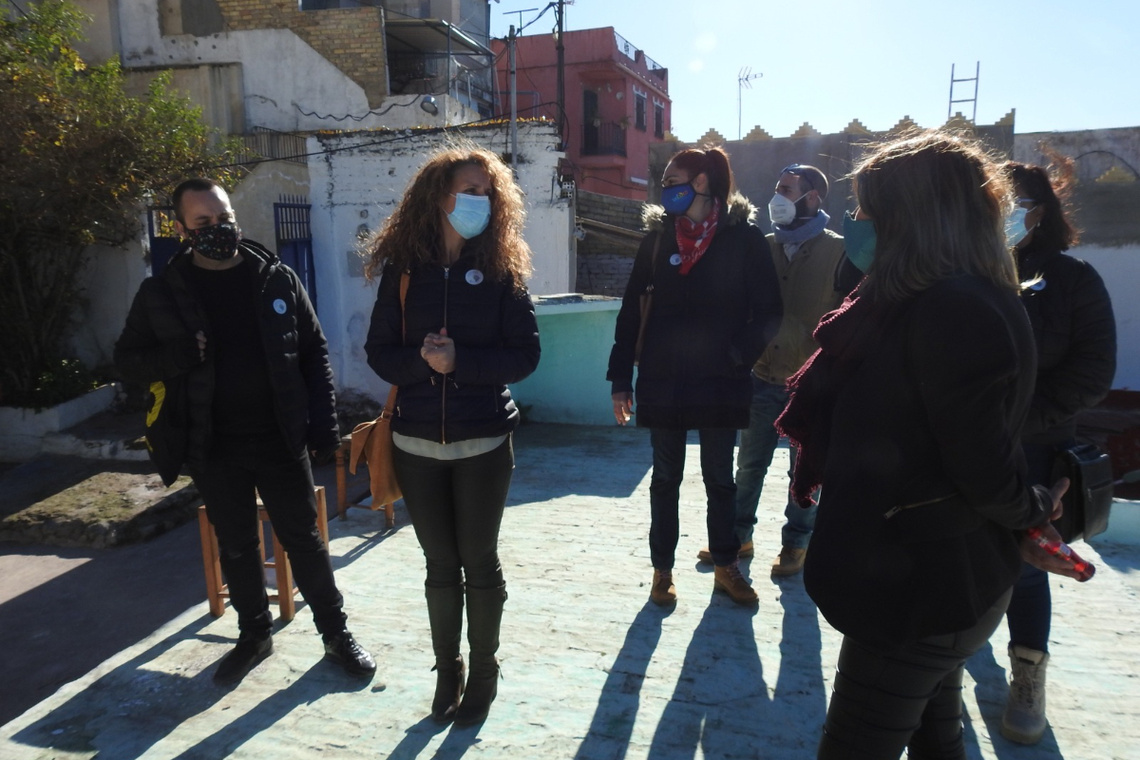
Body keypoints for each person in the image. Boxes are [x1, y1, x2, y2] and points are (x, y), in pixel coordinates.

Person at [774, 131, 1082, 759]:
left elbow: (983, 465)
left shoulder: (953, 309)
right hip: (929, 582)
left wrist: (1034, 507)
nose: (858, 222)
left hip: (919, 590)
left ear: (912, 217)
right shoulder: (927, 298)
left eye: (869, 210)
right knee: (937, 739)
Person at [115, 178, 375, 685]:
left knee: (305, 540)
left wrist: (324, 426)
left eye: (224, 218)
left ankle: (335, 634)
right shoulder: (161, 293)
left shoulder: (275, 278)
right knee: (236, 545)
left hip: (279, 439)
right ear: (182, 230)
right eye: (204, 223)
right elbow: (128, 362)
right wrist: (180, 356)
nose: (219, 230)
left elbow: (313, 352)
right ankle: (254, 635)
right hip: (212, 445)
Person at [363, 145, 540, 726]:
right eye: (470, 191)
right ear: (441, 196)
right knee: (440, 566)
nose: (481, 202)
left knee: (479, 562)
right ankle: (449, 671)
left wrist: (460, 361)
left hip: (484, 443)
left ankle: (484, 676)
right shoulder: (404, 271)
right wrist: (424, 362)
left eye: (489, 193)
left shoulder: (502, 270)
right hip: (415, 445)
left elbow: (525, 356)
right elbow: (379, 353)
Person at [607, 145, 782, 607]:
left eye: (673, 179)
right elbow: (631, 311)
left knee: (720, 480)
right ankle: (662, 571)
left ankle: (726, 565)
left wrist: (735, 357)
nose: (666, 187)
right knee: (665, 478)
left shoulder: (744, 240)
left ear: (701, 182)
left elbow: (769, 311)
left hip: (720, 381)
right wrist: (620, 379)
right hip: (664, 381)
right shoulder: (658, 239)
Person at [997, 157, 1116, 744]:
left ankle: (1026, 672)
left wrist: (1023, 420)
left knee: (1024, 567)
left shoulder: (1074, 281)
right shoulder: (963, 276)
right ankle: (948, 655)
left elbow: (1093, 371)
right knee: (958, 557)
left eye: (1005, 204)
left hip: (1036, 455)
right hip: (960, 450)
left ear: (1035, 212)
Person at [695, 163, 858, 576]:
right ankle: (737, 537)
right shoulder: (763, 246)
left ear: (813, 198)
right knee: (749, 464)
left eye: (787, 190)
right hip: (762, 376)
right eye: (777, 188)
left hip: (811, 384)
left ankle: (796, 545)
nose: (777, 198)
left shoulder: (839, 251)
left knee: (804, 472)